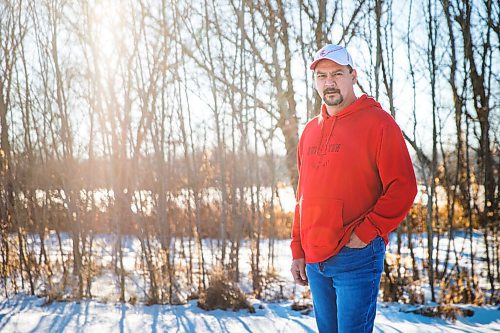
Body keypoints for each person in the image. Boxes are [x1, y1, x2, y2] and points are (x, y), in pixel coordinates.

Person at [290, 44, 417, 333]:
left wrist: (366, 232)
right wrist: (298, 248)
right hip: (314, 258)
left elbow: (403, 187)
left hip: (355, 256)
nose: (329, 82)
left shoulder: (378, 123)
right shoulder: (310, 130)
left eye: (337, 73)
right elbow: (302, 197)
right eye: (321, 76)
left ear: (353, 76)